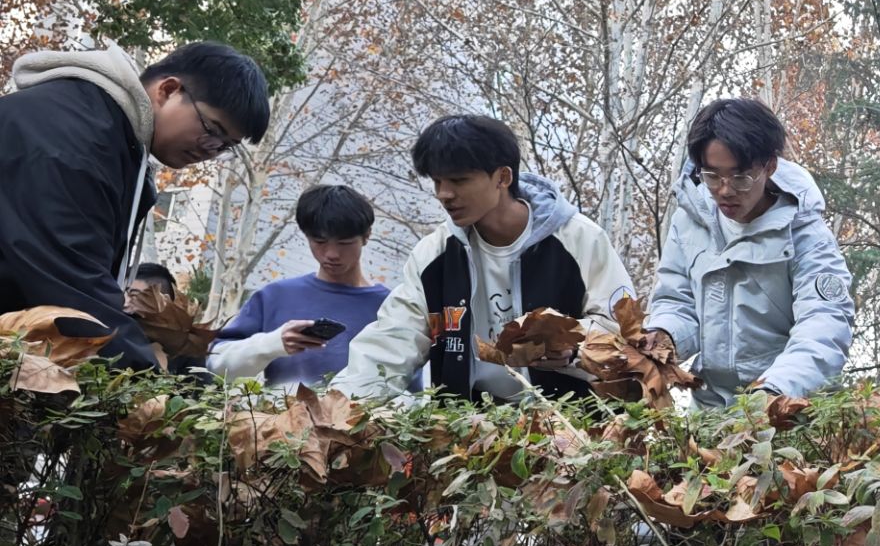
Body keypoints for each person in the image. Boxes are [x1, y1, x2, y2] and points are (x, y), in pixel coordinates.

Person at [0, 41, 269, 367]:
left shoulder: (112, 138)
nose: (210, 150)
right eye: (211, 130)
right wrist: (152, 382)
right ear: (168, 90)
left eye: (225, 146)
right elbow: (72, 288)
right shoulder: (72, 140)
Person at [334, 115, 634, 402]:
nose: (444, 194)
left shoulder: (580, 239)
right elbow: (393, 340)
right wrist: (337, 406)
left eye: (459, 180)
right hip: (468, 425)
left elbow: (625, 336)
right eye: (437, 182)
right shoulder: (435, 254)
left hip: (573, 424)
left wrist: (574, 350)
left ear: (503, 177)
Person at [645, 97, 854, 409]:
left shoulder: (806, 234)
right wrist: (665, 336)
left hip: (788, 408)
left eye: (740, 177)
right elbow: (677, 302)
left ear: (769, 166)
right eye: (712, 176)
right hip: (710, 409)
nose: (725, 190)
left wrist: (775, 390)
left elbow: (824, 326)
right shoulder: (689, 220)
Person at [207, 184, 395, 388]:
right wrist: (272, 343)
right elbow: (215, 364)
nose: (332, 254)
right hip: (284, 409)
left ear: (366, 236)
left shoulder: (391, 306)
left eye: (344, 243)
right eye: (320, 241)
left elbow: (410, 385)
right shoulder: (275, 297)